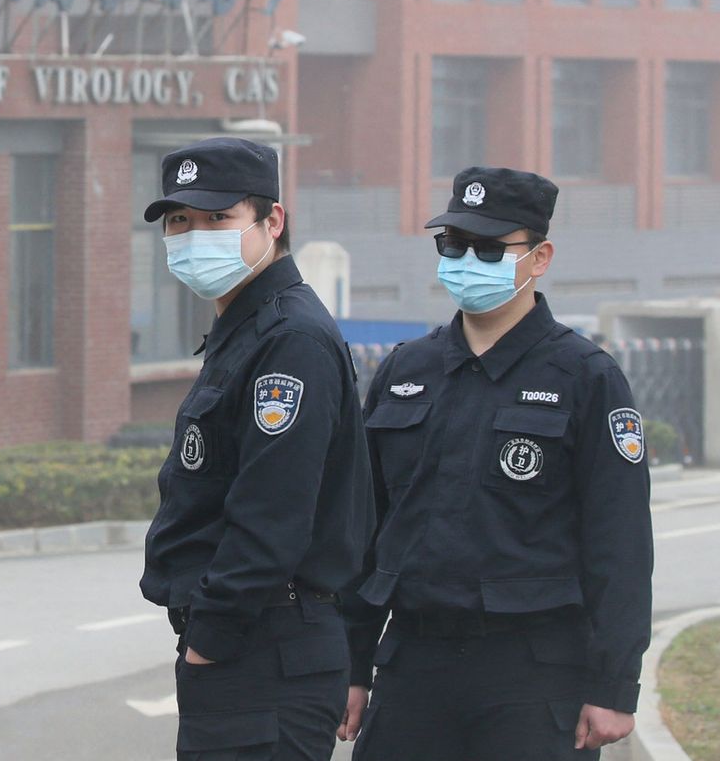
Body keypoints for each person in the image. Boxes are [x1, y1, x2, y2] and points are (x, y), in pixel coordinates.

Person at [342, 167, 653, 761]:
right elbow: (364, 530)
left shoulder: (586, 378)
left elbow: (621, 543)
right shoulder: (407, 370)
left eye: (488, 248)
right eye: (453, 244)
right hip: (413, 665)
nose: (465, 259)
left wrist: (615, 685)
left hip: (534, 674)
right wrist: (352, 662)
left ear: (539, 258)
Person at [139, 137, 374, 761]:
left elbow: (273, 512)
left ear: (273, 220)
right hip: (250, 645)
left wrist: (209, 638)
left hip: (265, 648)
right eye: (180, 222)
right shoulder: (245, 329)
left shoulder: (288, 338)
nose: (193, 236)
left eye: (218, 218)